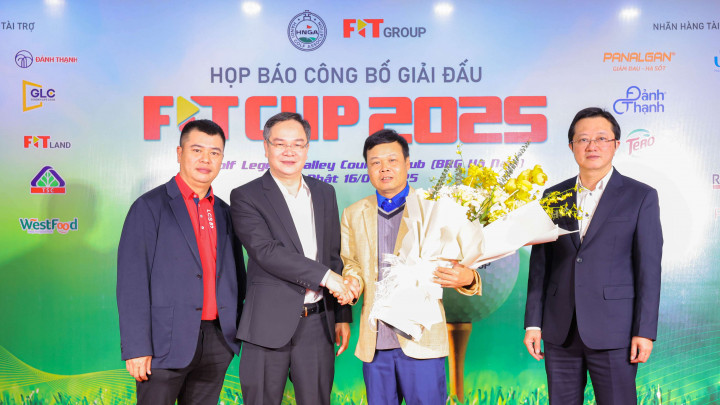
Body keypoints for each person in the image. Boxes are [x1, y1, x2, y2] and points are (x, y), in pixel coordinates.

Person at [523, 107, 663, 404]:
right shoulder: (553, 197)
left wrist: (644, 331)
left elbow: (648, 271)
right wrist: (533, 323)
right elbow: (540, 267)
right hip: (560, 330)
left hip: (615, 332)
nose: (592, 146)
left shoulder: (641, 196)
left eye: (601, 138)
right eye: (583, 139)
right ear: (571, 146)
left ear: (616, 144)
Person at [340, 129, 481, 404]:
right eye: (375, 162)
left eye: (392, 160)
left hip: (422, 340)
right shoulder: (353, 213)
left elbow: (468, 264)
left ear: (407, 163)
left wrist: (468, 278)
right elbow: (351, 263)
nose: (384, 168)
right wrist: (353, 281)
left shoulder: (436, 208)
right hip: (375, 343)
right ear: (367, 168)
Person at [117, 119, 245, 405]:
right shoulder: (149, 207)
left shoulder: (225, 212)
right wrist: (137, 347)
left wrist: (232, 335)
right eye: (197, 150)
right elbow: (132, 283)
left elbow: (237, 275)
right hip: (163, 343)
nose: (206, 159)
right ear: (179, 152)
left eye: (214, 152)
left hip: (217, 342)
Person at [230, 112, 352, 405]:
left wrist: (341, 316)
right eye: (280, 143)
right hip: (266, 324)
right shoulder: (246, 196)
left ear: (307, 149)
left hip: (318, 324)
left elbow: (332, 255)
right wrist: (327, 278)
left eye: (298, 144)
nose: (289, 151)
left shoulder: (324, 193)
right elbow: (266, 251)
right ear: (266, 147)